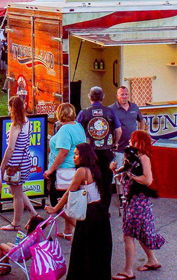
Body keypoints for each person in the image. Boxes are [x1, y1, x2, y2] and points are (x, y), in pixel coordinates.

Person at [46, 142, 111, 280]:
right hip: (100, 213)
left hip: (89, 214)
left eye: (76, 154)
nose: (74, 157)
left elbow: (70, 191)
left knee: (82, 250)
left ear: (84, 155)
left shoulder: (82, 171)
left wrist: (55, 208)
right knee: (97, 250)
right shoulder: (95, 169)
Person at [116, 131, 163, 279]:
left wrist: (132, 176)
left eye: (132, 139)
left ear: (138, 141)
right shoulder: (135, 158)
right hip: (134, 200)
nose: (130, 141)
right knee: (140, 232)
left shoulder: (143, 158)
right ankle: (152, 260)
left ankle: (128, 271)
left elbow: (148, 180)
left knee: (128, 235)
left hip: (138, 201)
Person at [44, 102, 86, 240]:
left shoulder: (64, 130)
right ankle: (68, 232)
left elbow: (63, 152)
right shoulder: (78, 126)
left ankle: (80, 230)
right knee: (68, 202)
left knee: (57, 204)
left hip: (63, 170)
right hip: (74, 169)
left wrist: (50, 169)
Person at [77, 86, 120, 206]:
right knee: (106, 181)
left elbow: (77, 129)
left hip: (89, 152)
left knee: (90, 179)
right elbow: (119, 130)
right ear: (103, 97)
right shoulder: (109, 111)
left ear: (89, 97)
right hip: (106, 151)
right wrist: (115, 143)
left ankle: (91, 206)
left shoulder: (84, 112)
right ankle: (104, 210)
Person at [1, 95, 36, 232]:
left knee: (16, 193)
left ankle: (16, 223)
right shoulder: (27, 121)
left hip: (15, 163)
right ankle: (33, 213)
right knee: (17, 190)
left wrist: (3, 165)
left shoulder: (16, 125)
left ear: (12, 108)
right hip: (25, 160)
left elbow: (10, 148)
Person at [111, 85, 145, 152]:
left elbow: (142, 121)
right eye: (122, 94)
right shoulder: (111, 109)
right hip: (118, 147)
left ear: (129, 95)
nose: (124, 96)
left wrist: (140, 135)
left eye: (126, 94)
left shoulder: (134, 107)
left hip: (133, 146)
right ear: (117, 96)